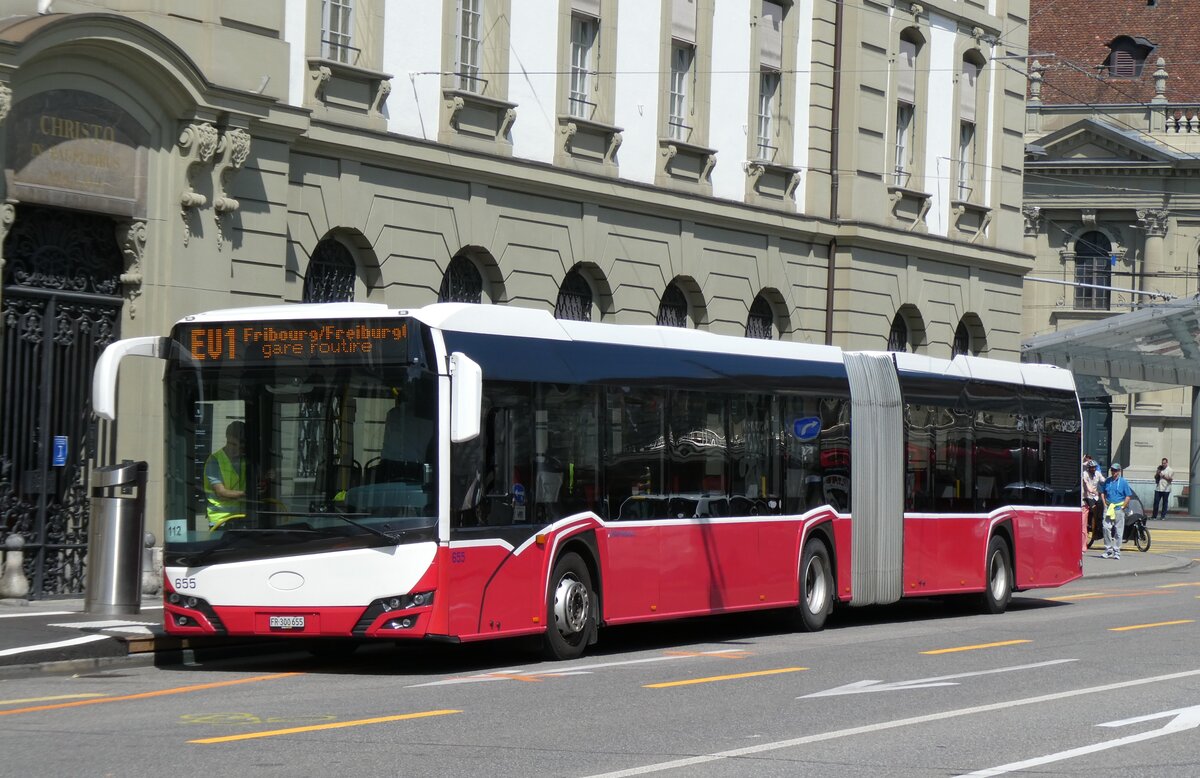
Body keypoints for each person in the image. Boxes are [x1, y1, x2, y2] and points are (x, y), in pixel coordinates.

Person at [205, 420, 247, 528]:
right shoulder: (214, 460)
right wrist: (247, 494)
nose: (234, 449)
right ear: (227, 438)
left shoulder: (245, 460)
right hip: (220, 520)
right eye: (231, 444)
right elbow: (221, 492)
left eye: (240, 446)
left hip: (241, 517)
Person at [1101, 462, 1134, 560]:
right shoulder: (1107, 481)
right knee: (1106, 528)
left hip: (1119, 508)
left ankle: (1117, 550)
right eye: (1112, 470)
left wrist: (1123, 506)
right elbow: (1103, 493)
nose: (1113, 472)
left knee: (1119, 531)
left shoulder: (1123, 482)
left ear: (1119, 471)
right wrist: (1104, 504)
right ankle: (1108, 550)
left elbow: (1128, 495)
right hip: (1109, 507)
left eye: (1115, 470)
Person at [1081, 459, 1105, 543]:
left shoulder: (1097, 473)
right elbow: (1086, 485)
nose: (1093, 469)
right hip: (1087, 496)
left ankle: (1098, 529)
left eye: (1094, 467)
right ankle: (1090, 524)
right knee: (1094, 508)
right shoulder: (1085, 474)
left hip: (1095, 496)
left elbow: (1103, 481)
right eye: (1091, 468)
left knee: (1101, 506)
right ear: (1088, 468)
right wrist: (1092, 491)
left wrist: (1109, 485)